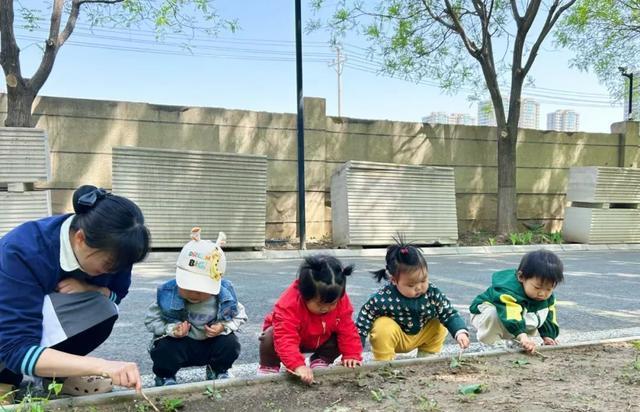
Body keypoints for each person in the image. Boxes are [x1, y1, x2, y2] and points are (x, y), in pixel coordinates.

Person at [0, 185, 150, 402]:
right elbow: (15, 347)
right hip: (6, 330)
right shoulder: (23, 251)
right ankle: (4, 377)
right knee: (12, 355)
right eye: (108, 265)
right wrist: (103, 366)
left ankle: (56, 374)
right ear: (80, 238)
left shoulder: (117, 251)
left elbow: (116, 295)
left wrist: (91, 289)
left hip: (27, 325)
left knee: (103, 308)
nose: (114, 271)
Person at [145, 228, 247, 386]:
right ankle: (165, 376)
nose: (193, 293)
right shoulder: (168, 295)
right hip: (180, 344)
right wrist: (171, 330)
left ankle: (218, 369)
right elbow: (151, 320)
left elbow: (240, 315)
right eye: (187, 286)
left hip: (210, 344)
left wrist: (223, 327)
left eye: (201, 289)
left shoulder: (224, 296)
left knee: (230, 343)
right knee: (164, 347)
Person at [356, 239, 470, 361]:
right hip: (397, 338)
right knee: (381, 326)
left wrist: (460, 332)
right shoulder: (383, 298)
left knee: (439, 322)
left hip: (422, 335)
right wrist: (356, 346)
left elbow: (448, 313)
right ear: (394, 280)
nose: (419, 287)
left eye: (423, 280)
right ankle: (384, 362)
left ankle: (427, 355)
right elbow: (365, 318)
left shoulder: (432, 292)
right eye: (411, 285)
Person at [258, 255, 362, 385]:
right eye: (320, 304)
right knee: (270, 336)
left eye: (332, 304)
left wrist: (352, 354)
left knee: (340, 337)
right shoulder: (288, 304)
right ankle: (269, 367)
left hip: (322, 338)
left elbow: (348, 329)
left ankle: (321, 359)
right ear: (304, 295)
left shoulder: (340, 300)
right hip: (290, 339)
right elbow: (285, 337)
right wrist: (297, 365)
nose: (326, 308)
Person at [469, 249, 564, 354]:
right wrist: (522, 335)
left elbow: (549, 317)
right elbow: (511, 314)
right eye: (537, 287)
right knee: (494, 313)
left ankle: (516, 340)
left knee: (539, 312)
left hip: (514, 317)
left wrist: (548, 336)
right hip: (485, 314)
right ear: (521, 277)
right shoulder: (508, 291)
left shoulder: (545, 297)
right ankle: (489, 344)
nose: (542, 293)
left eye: (549, 289)